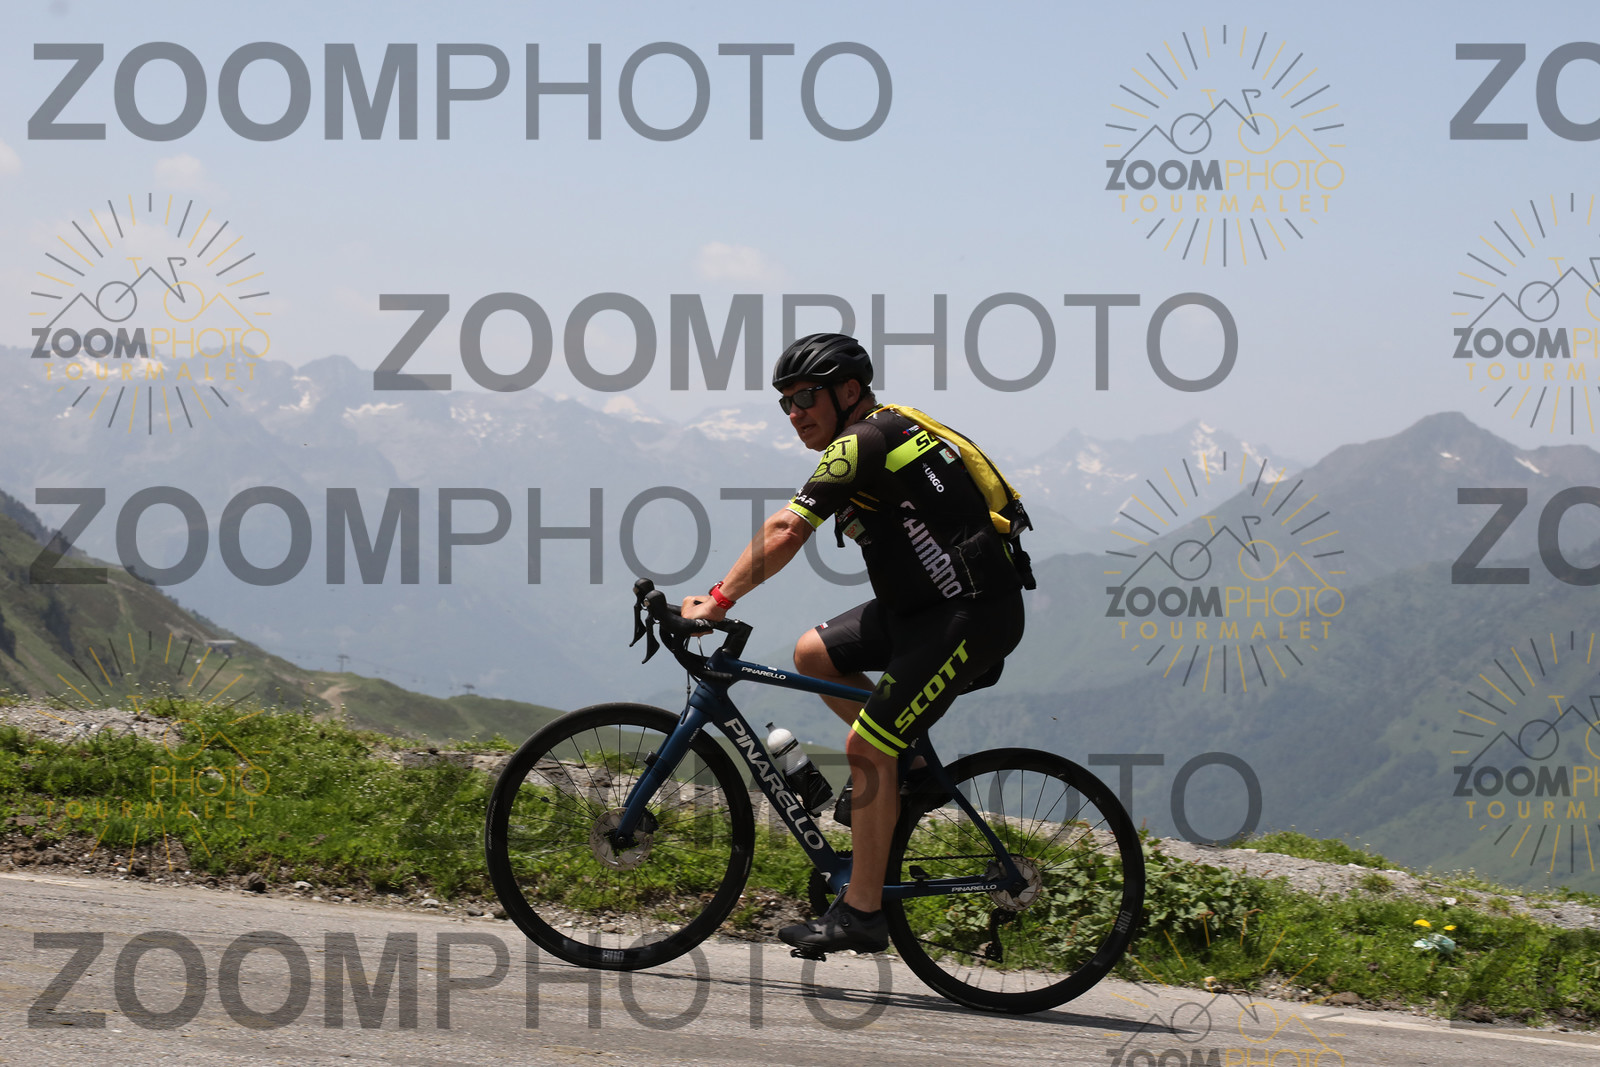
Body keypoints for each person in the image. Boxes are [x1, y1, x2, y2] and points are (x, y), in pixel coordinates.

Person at [681, 332, 1027, 953]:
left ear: (848, 391)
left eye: (805, 397)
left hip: (970, 615)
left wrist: (719, 599)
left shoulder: (863, 441)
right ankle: (911, 769)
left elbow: (787, 530)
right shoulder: (881, 432)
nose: (794, 413)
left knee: (866, 746)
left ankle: (864, 914)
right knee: (813, 654)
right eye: (785, 402)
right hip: (919, 609)